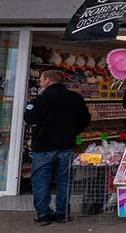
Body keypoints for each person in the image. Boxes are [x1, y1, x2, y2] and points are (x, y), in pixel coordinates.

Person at [24, 69, 91, 225]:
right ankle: (63, 213)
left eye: (41, 79)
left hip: (44, 144)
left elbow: (29, 118)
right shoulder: (75, 98)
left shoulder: (41, 99)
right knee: (64, 179)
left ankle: (43, 214)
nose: (40, 82)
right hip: (66, 144)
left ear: (48, 80)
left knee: (41, 179)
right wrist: (73, 131)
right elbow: (85, 119)